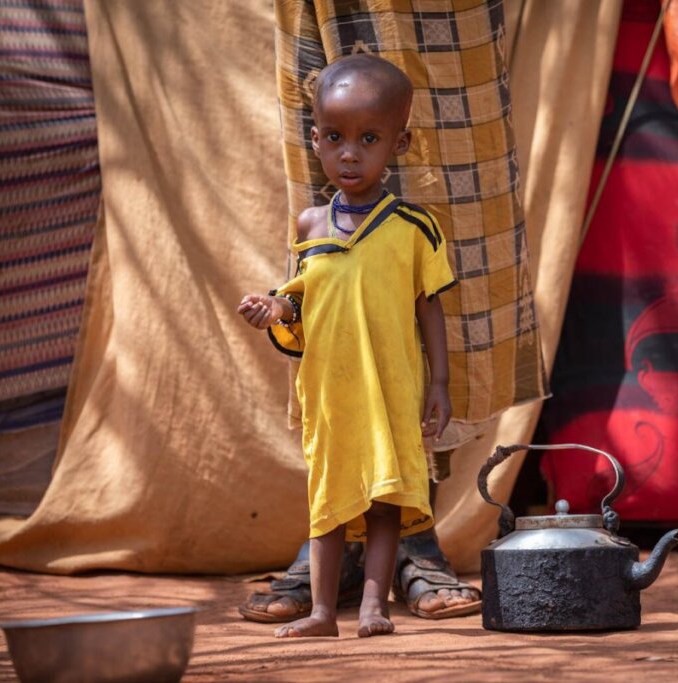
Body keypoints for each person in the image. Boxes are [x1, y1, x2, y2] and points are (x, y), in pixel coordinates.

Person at [238, 54, 465, 638]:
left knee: (385, 502)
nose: (349, 154)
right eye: (335, 137)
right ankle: (321, 612)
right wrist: (273, 309)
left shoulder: (414, 228)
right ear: (316, 140)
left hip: (389, 390)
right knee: (329, 500)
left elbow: (429, 307)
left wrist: (439, 384)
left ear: (399, 143)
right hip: (331, 394)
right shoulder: (310, 225)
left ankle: (373, 608)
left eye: (369, 139)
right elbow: (302, 300)